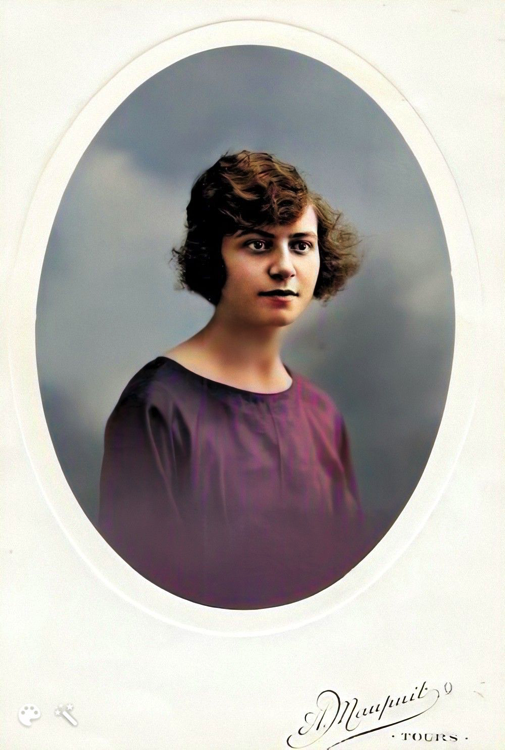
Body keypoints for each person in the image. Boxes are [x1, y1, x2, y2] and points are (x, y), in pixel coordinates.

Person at [98, 150, 369, 609]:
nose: (285, 266)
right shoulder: (156, 407)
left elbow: (349, 582)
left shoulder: (322, 415)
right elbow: (141, 601)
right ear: (213, 257)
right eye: (258, 245)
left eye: (300, 245)